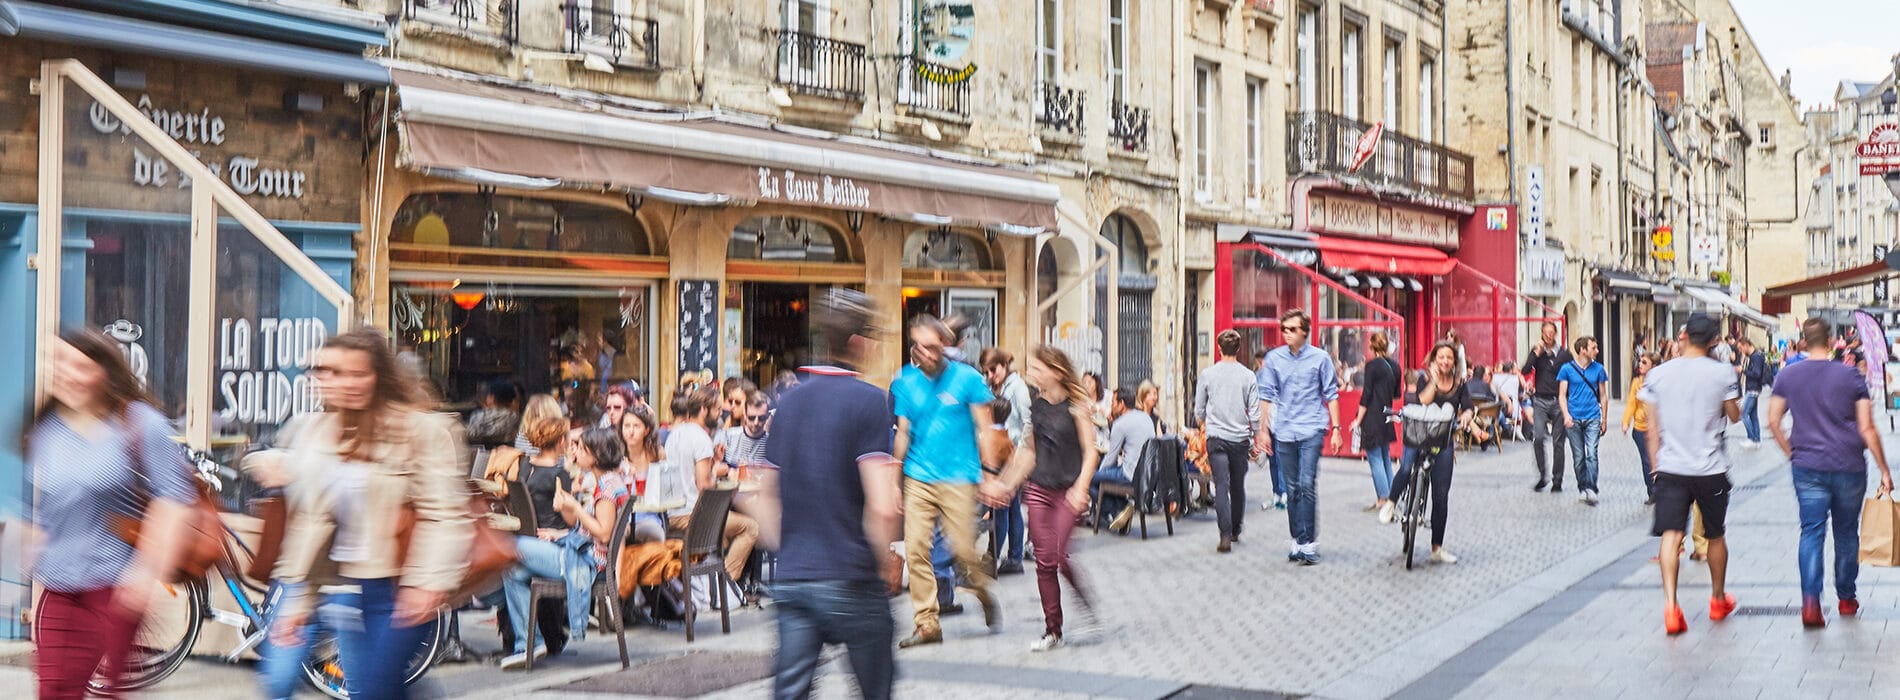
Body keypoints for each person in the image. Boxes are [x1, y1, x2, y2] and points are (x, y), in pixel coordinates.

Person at [272, 329, 471, 699]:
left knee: (376, 689)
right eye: (337, 374)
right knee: (372, 692)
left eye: (358, 374)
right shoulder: (323, 435)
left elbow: (444, 513)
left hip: (400, 587)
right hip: (349, 588)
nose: (347, 384)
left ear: (379, 375)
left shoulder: (418, 430)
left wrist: (427, 582)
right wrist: (299, 602)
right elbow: (314, 525)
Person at [24, 330, 196, 699]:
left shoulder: (137, 423)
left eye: (80, 366)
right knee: (53, 689)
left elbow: (175, 497)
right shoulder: (47, 430)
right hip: (58, 585)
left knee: (106, 692)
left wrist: (147, 571)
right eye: (60, 363)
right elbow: (47, 513)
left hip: (115, 588)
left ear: (105, 372)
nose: (66, 373)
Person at [760, 289, 902, 700]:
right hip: (850, 574)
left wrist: (785, 548)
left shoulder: (786, 403)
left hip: (795, 577)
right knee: (875, 689)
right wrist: (881, 558)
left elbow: (766, 495)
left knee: (790, 692)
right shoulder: (870, 402)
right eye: (873, 337)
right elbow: (880, 503)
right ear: (859, 344)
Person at [1768, 318, 1896, 628]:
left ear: (1803, 340)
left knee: (1811, 531)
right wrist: (1884, 469)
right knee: (1846, 531)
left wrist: (1791, 453)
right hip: (1848, 465)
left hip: (1807, 465)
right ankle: (1846, 597)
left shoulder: (1788, 375)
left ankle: (1811, 602)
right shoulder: (1850, 375)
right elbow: (1867, 427)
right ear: (1830, 341)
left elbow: (1772, 420)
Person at [890, 314, 999, 648]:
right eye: (922, 347)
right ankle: (927, 623)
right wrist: (895, 480)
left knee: (964, 552)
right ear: (914, 348)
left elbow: (986, 429)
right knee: (917, 550)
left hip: (959, 478)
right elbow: (903, 432)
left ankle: (981, 589)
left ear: (945, 346)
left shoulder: (967, 378)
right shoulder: (905, 382)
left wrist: (991, 475)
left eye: (935, 347)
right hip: (918, 477)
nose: (929, 354)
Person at [982, 346, 1100, 652]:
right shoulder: (1036, 407)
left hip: (1067, 491)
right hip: (1039, 490)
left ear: (1056, 372)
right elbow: (1028, 452)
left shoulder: (1077, 405)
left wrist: (1081, 488)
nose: (1032, 374)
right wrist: (1006, 483)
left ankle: (1083, 601)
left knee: (1059, 556)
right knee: (1044, 562)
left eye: (1037, 369)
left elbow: (1091, 452)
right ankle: (1053, 630)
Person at [1639, 314, 1742, 636]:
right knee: (1715, 534)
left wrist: (1655, 467)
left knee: (1671, 535)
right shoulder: (1722, 372)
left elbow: (1651, 428)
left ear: (1683, 335)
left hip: (1671, 467)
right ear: (1713, 340)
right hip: (1710, 467)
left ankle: (1671, 607)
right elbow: (1734, 416)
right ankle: (1716, 598)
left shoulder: (1657, 374)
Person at [499, 427, 632, 669]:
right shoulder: (610, 480)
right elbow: (598, 530)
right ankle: (529, 643)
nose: (575, 452)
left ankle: (529, 642)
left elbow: (604, 531)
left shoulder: (607, 487)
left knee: (512, 547)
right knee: (512, 571)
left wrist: (576, 507)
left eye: (580, 448)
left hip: (586, 563)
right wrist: (561, 532)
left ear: (595, 454)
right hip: (584, 555)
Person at [1256, 310, 1343, 565]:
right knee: (1291, 489)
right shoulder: (1274, 359)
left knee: (1306, 484)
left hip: (1312, 428)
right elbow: (1266, 395)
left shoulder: (1320, 358)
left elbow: (1332, 394)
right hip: (1284, 430)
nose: (1287, 334)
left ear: (1304, 331)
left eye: (1293, 329)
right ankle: (1297, 539)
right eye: (1284, 329)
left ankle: (1307, 543)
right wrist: (1263, 429)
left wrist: (1336, 429)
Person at [1380, 342, 1479, 564]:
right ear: (1434, 359)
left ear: (1455, 361)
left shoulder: (1460, 383)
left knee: (1441, 495)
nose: (1445, 362)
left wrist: (1466, 416)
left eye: (1449, 358)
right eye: (1441, 357)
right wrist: (1434, 381)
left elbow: (1468, 406)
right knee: (1406, 467)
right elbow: (1423, 400)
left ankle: (1437, 547)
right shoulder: (1425, 377)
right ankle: (1391, 503)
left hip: (1442, 440)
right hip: (1418, 434)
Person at [664, 386, 759, 586]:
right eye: (716, 409)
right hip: (693, 515)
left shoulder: (675, 434)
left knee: (725, 537)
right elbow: (704, 486)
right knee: (750, 527)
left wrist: (714, 461)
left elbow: (687, 472)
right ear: (704, 409)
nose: (720, 413)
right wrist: (721, 479)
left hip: (671, 515)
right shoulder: (701, 438)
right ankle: (727, 584)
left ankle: (711, 585)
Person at [1194, 329, 1261, 553]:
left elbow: (1199, 410)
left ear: (1219, 348)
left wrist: (1204, 422)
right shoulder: (1248, 376)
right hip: (1239, 439)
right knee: (1237, 485)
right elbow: (1254, 411)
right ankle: (1235, 529)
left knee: (1220, 485)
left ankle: (1223, 534)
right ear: (1239, 349)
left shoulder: (1208, 374)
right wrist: (1256, 436)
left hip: (1216, 438)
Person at [980, 348, 1032, 575]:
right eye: (987, 372)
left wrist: (1021, 454)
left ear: (1003, 365)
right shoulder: (992, 387)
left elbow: (1029, 421)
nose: (991, 375)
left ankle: (1000, 558)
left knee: (1004, 508)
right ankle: (1013, 558)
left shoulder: (1018, 388)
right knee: (1010, 509)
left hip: (1011, 455)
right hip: (999, 454)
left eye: (993, 370)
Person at [1094, 387, 1157, 533]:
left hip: (1130, 474)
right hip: (1148, 474)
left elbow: (1110, 458)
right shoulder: (1145, 417)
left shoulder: (1120, 424)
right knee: (1104, 477)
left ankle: (1118, 510)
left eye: (1113, 403)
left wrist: (1099, 473)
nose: (1111, 406)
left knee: (1090, 480)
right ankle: (1122, 512)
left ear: (1121, 404)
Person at [1557, 336, 1610, 506]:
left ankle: (1592, 488)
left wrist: (1604, 420)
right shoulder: (1567, 369)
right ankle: (1582, 487)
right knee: (1579, 457)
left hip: (1593, 416)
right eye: (1593, 347)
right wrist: (1566, 415)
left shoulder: (1599, 369)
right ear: (1582, 350)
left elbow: (1603, 395)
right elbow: (1562, 395)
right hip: (1574, 418)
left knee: (1592, 454)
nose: (1597, 351)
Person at [1354, 332, 1403, 514]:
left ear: (1372, 347)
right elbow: (1397, 394)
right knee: (1385, 458)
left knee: (1375, 459)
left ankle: (1383, 499)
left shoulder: (1372, 366)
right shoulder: (1395, 366)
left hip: (1373, 416)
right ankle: (1392, 497)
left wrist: (1358, 420)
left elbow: (1366, 394)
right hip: (1387, 414)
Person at [1523, 322, 1574, 492]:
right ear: (1542, 334)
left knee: (1558, 442)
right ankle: (1542, 475)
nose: (1548, 336)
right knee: (1538, 437)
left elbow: (1573, 375)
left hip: (1559, 401)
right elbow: (1525, 370)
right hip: (1540, 401)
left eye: (1551, 332)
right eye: (1546, 333)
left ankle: (1557, 480)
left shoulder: (1565, 354)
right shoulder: (1537, 353)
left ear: (1556, 333)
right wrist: (1535, 354)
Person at [616, 405, 669, 544]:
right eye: (626, 426)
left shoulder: (657, 455)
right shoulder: (616, 459)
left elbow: (667, 492)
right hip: (622, 521)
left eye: (636, 426)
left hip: (649, 519)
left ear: (646, 430)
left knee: (656, 535)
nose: (631, 432)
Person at [1621, 353, 1659, 505]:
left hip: (1656, 428)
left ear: (1653, 366)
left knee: (1658, 461)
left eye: (1644, 362)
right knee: (1646, 461)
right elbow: (1631, 403)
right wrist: (1626, 422)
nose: (1640, 365)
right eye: (1640, 362)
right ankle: (1652, 492)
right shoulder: (1636, 382)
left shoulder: (1658, 382)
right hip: (1640, 429)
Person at [718, 390, 771, 471]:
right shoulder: (728, 436)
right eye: (751, 418)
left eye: (761, 418)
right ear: (745, 415)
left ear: (768, 417)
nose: (756, 423)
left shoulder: (771, 442)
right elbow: (715, 466)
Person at [468, 380, 524, 448]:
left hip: (482, 454)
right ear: (511, 400)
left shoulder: (477, 416)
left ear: (491, 398)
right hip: (507, 454)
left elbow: (471, 435)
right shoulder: (514, 417)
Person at [1737, 338, 1768, 448]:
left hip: (1753, 389)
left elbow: (1756, 373)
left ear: (1746, 345)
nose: (1741, 351)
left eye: (1741, 348)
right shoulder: (1755, 356)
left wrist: (1743, 371)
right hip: (1753, 389)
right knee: (1753, 416)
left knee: (1743, 415)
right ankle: (1756, 440)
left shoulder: (1755, 357)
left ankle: (1752, 438)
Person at [1491, 362, 1524, 438]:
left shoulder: (1495, 378)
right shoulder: (1515, 379)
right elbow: (1520, 395)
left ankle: (1506, 428)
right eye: (1516, 368)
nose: (1518, 369)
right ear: (1511, 370)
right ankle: (1513, 428)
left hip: (1497, 407)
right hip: (1510, 410)